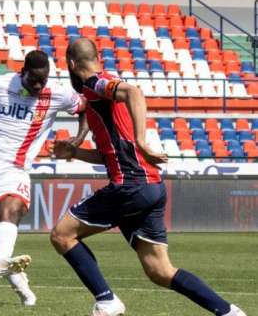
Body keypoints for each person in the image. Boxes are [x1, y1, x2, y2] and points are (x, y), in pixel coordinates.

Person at [49, 38, 247, 316]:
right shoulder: (101, 89)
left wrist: (141, 140)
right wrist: (75, 152)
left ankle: (106, 301)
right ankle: (229, 312)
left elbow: (134, 92)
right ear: (99, 56)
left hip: (130, 185)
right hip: (151, 186)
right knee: (160, 270)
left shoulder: (95, 83)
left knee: (62, 235)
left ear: (70, 64)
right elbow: (110, 154)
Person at [0, 50, 88, 306]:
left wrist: (78, 139)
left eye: (41, 80)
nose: (37, 85)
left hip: (15, 165)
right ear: (23, 72)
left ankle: (1, 261)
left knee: (11, 209)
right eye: (33, 79)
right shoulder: (0, 84)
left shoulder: (57, 93)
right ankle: (18, 281)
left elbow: (86, 108)